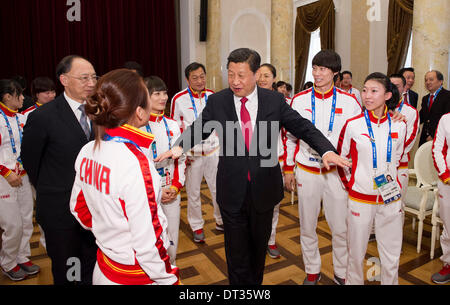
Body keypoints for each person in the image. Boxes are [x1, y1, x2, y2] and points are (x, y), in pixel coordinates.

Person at [156, 48, 350, 285]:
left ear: (256, 74)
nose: (235, 81)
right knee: (236, 256)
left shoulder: (274, 101)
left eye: (241, 75)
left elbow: (303, 127)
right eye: (230, 74)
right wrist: (178, 148)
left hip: (264, 190)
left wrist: (327, 150)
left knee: (258, 254)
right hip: (231, 190)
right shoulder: (218, 101)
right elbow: (200, 127)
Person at [69, 69, 180, 285]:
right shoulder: (135, 163)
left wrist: (110, 232)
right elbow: (149, 242)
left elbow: (79, 209)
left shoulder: (88, 149)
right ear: (139, 111)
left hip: (104, 267)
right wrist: (170, 280)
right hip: (136, 276)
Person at [284, 50, 362, 285]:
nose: (317, 74)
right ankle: (312, 270)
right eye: (315, 68)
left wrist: (393, 115)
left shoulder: (350, 102)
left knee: (340, 227)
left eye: (323, 70)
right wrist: (288, 168)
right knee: (307, 225)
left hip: (335, 175)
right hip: (307, 171)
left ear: (335, 72)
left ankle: (341, 271)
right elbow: (290, 137)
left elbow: (360, 135)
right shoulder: (299, 99)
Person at [20, 55, 98, 285]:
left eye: (94, 77)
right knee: (68, 270)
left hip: (95, 209)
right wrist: (55, 189)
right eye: (84, 78)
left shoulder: (100, 112)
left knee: (92, 265)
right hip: (60, 212)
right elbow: (32, 162)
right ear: (64, 79)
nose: (91, 83)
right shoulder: (43, 117)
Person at [337, 72, 407, 285]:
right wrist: (352, 185)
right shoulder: (353, 124)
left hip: (390, 199)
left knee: (391, 254)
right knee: (356, 254)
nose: (367, 95)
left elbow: (396, 158)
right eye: (365, 90)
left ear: (387, 95)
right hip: (360, 199)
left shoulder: (399, 124)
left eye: (374, 91)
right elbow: (342, 159)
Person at [170, 62, 223, 243]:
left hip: (213, 151)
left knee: (218, 189)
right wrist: (183, 153)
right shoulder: (178, 99)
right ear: (187, 79)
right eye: (195, 78)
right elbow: (174, 129)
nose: (200, 81)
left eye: (202, 76)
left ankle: (220, 220)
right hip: (192, 155)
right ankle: (197, 225)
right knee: (193, 193)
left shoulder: (212, 96)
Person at [140, 76, 186, 264]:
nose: (163, 97)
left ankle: (171, 271)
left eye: (165, 92)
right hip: (148, 194)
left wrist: (176, 187)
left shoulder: (173, 125)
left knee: (172, 239)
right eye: (156, 93)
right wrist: (157, 190)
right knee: (150, 240)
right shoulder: (138, 127)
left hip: (172, 192)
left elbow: (181, 159)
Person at [0, 79, 40, 281]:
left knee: (26, 220)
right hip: (4, 179)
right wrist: (6, 172)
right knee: (12, 224)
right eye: (19, 95)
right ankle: (8, 262)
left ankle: (22, 256)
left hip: (23, 176)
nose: (23, 99)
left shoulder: (18, 118)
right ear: (7, 96)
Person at [256, 63, 285, 259]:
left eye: (267, 75)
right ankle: (255, 241)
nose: (262, 79)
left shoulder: (280, 102)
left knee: (273, 204)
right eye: (259, 75)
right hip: (249, 162)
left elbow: (290, 134)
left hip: (274, 160)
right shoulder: (244, 99)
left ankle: (270, 240)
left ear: (274, 79)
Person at [389, 74, 419, 201]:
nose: (393, 89)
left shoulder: (411, 111)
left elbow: (410, 138)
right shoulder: (378, 108)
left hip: (400, 164)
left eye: (396, 86)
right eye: (390, 86)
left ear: (404, 88)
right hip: (378, 163)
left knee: (397, 203)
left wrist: (391, 155)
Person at [431, 113, 450, 284]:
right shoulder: (446, 119)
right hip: (448, 181)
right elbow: (438, 148)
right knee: (448, 224)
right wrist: (445, 174)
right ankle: (448, 263)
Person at [418, 70, 450, 146]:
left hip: (440, 139)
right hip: (424, 140)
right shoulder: (425, 99)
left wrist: (433, 135)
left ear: (440, 81)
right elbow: (421, 117)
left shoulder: (448, 96)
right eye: (426, 80)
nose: (428, 82)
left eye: (431, 79)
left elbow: (447, 120)